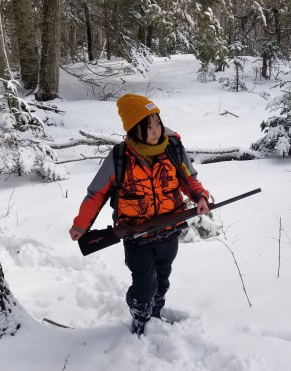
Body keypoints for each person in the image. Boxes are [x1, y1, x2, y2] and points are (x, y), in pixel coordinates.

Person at [69, 94, 210, 336]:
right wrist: (81, 225)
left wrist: (200, 197)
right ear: (135, 129)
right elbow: (96, 194)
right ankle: (140, 318)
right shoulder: (120, 158)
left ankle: (154, 315)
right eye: (148, 126)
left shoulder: (173, 148)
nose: (156, 130)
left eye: (157, 123)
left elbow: (189, 178)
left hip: (169, 231)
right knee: (144, 285)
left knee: (162, 280)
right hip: (137, 237)